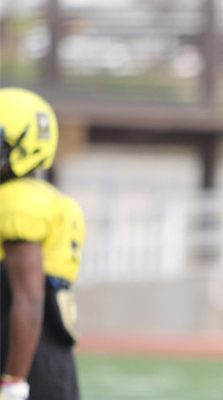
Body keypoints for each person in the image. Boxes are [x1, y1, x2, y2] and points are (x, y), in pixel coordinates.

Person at [0, 87, 85, 400]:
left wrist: (13, 383)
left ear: (23, 146)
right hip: (49, 360)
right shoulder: (43, 198)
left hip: (24, 359)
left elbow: (29, 298)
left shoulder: (18, 201)